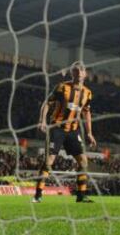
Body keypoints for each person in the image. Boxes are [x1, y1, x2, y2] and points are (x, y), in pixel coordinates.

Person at [34, 61, 97, 203]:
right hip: (57, 128)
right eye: (76, 70)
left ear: (85, 74)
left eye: (82, 70)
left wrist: (89, 133)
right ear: (71, 73)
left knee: (83, 161)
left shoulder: (87, 93)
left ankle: (81, 195)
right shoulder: (62, 88)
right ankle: (37, 194)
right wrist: (42, 120)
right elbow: (47, 103)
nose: (79, 72)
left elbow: (87, 113)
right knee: (49, 161)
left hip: (73, 131)